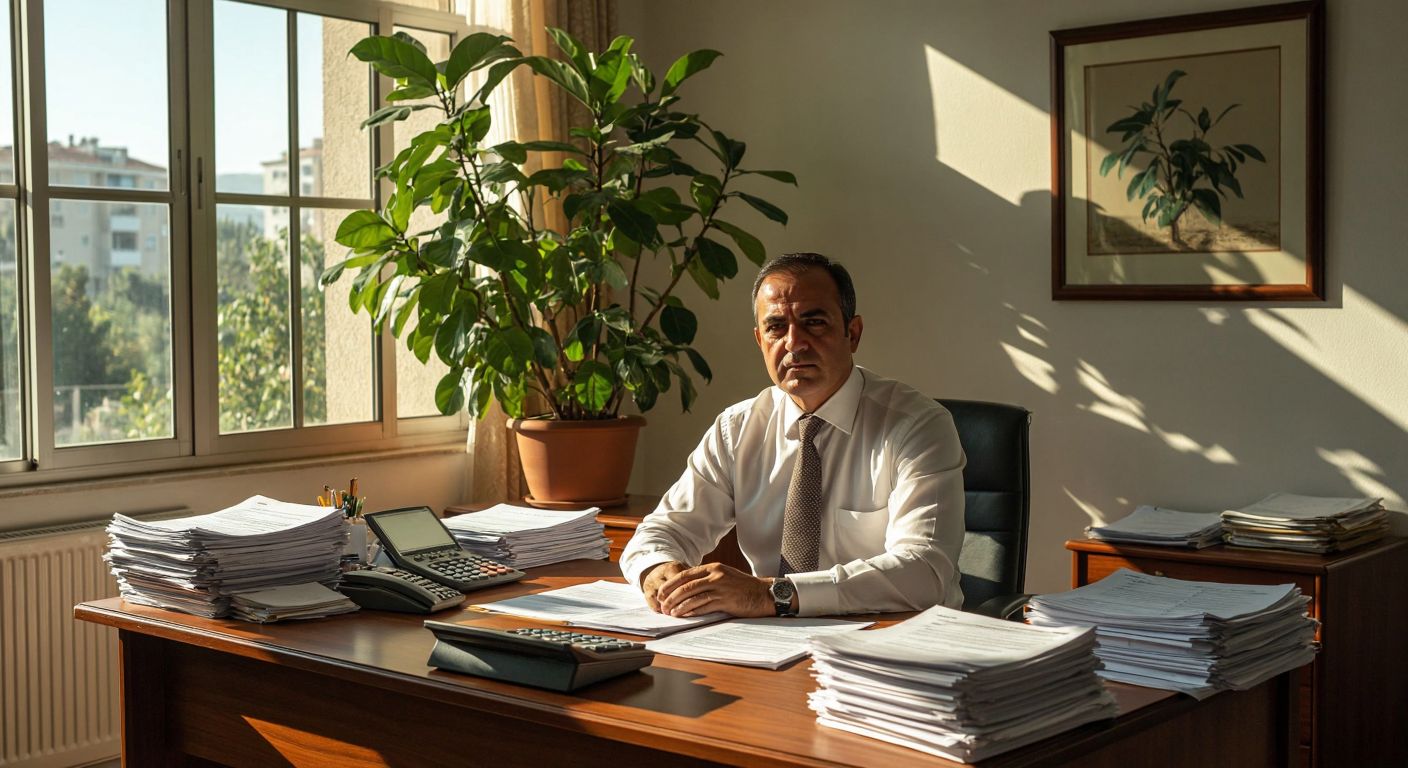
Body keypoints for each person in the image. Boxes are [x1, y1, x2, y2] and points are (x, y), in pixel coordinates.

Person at [620, 252, 966, 618]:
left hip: (892, 644)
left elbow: (924, 572)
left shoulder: (918, 426)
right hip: (771, 645)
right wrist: (658, 571)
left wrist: (771, 594)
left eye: (813, 322)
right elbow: (662, 531)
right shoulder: (736, 428)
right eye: (775, 327)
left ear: (853, 333)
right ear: (759, 340)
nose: (793, 343)